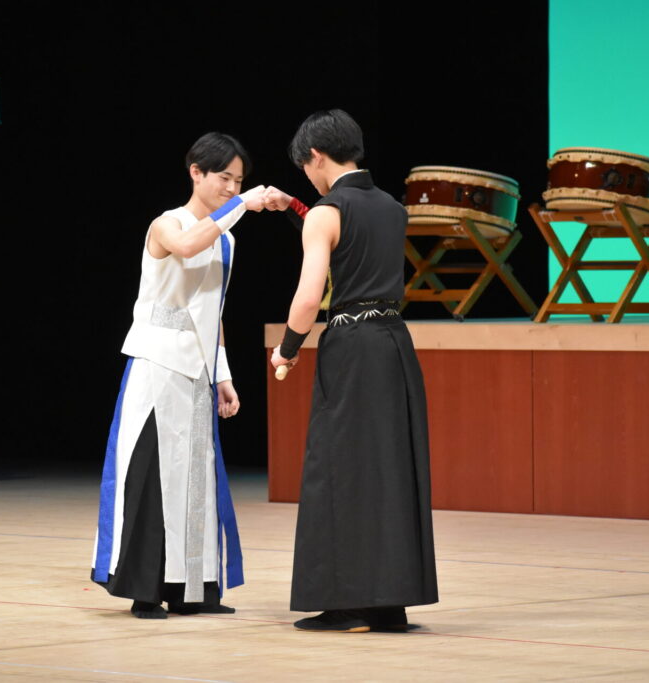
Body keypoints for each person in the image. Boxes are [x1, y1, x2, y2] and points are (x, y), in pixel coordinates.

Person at [267, 109, 438, 632]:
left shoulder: (326, 211)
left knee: (339, 469)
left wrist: (287, 349)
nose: (308, 179)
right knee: (387, 470)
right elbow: (353, 242)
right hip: (394, 343)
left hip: (352, 346)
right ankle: (388, 604)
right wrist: (295, 207)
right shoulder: (392, 207)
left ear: (316, 156)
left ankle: (349, 605)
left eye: (305, 168)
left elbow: (308, 297)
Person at [92, 132, 265, 619]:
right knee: (152, 473)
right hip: (157, 364)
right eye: (224, 178)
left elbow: (215, 311)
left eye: (239, 181)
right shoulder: (167, 224)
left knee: (196, 479)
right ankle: (145, 590)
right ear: (196, 172)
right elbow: (188, 247)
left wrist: (224, 374)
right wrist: (244, 205)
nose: (231, 188)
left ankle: (193, 590)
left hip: (199, 369)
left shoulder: (227, 238)